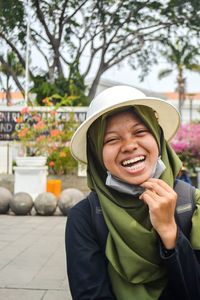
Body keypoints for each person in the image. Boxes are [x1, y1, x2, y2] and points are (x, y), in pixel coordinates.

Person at [65, 85, 200, 300]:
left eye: (140, 132)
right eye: (111, 139)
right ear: (97, 153)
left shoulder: (191, 205)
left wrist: (169, 232)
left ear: (157, 136)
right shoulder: (85, 218)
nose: (129, 146)